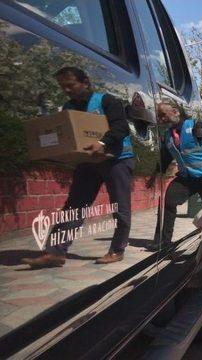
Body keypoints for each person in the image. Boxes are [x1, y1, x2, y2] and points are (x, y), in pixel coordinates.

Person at [22, 67, 134, 268]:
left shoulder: (106, 101)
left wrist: (102, 142)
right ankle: (55, 253)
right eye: (63, 87)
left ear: (85, 82)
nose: (67, 90)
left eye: (71, 85)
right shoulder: (68, 108)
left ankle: (117, 250)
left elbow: (121, 127)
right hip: (88, 162)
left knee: (120, 208)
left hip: (117, 159)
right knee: (73, 208)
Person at [146, 101, 202, 251]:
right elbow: (165, 157)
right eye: (159, 116)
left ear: (175, 112)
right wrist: (154, 176)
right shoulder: (168, 136)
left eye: (163, 115)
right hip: (187, 178)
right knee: (169, 200)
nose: (161, 119)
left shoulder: (196, 125)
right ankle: (163, 241)